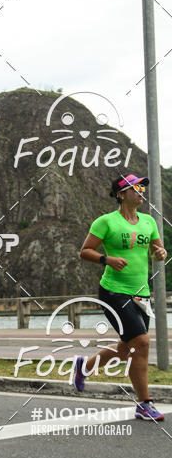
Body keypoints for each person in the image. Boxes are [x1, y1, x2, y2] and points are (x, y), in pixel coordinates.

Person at [75, 173, 167, 421]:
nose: (141, 192)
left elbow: (156, 251)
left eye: (142, 188)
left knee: (126, 349)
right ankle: (144, 404)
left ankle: (85, 366)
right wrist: (107, 259)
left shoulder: (148, 221)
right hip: (113, 291)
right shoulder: (106, 222)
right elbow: (85, 251)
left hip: (141, 293)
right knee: (142, 343)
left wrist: (160, 253)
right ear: (121, 194)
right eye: (136, 188)